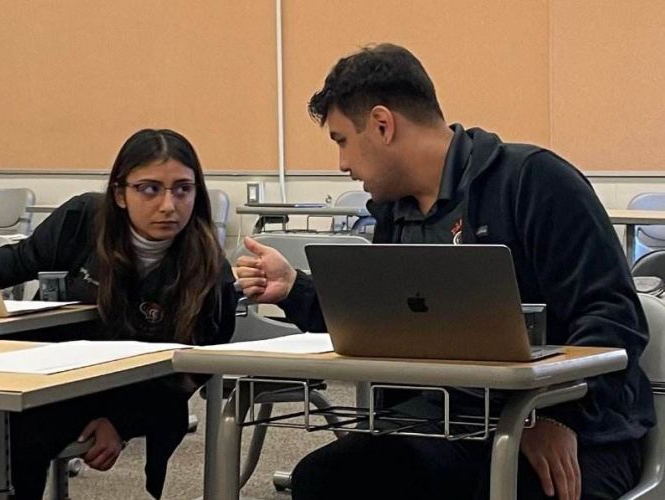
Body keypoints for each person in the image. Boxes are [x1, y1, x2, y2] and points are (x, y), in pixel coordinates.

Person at [235, 44, 655, 500]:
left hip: (576, 425)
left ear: (382, 125)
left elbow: (613, 317)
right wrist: (294, 289)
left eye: (341, 140)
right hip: (453, 423)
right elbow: (378, 319)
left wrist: (556, 416)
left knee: (516, 484)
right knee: (328, 478)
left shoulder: (534, 182)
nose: (342, 164)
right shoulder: (397, 215)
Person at [0, 129, 237, 500]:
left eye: (183, 189)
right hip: (39, 372)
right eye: (150, 189)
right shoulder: (82, 219)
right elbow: (17, 261)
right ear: (120, 193)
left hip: (124, 393)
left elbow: (188, 374)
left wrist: (121, 424)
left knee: (19, 445)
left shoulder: (209, 273)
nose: (169, 205)